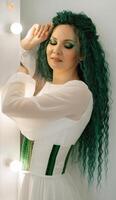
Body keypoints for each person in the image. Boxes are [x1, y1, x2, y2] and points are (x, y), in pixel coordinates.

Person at [1, 10, 110, 200]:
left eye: (67, 45)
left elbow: (10, 105)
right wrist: (26, 47)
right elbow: (8, 93)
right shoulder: (42, 85)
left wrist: (21, 71)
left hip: (49, 190)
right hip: (23, 184)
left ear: (82, 53)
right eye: (52, 42)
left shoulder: (78, 93)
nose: (56, 50)